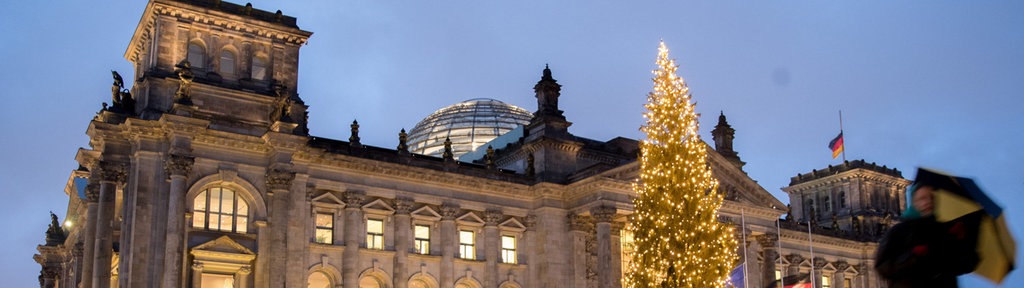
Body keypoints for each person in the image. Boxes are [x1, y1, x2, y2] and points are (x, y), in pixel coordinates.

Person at [875, 184, 981, 287]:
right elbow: (883, 268)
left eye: (932, 197)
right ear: (914, 202)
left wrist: (963, 241)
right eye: (922, 198)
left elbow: (966, 265)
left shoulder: (944, 230)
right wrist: (913, 256)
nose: (928, 202)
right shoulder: (899, 231)